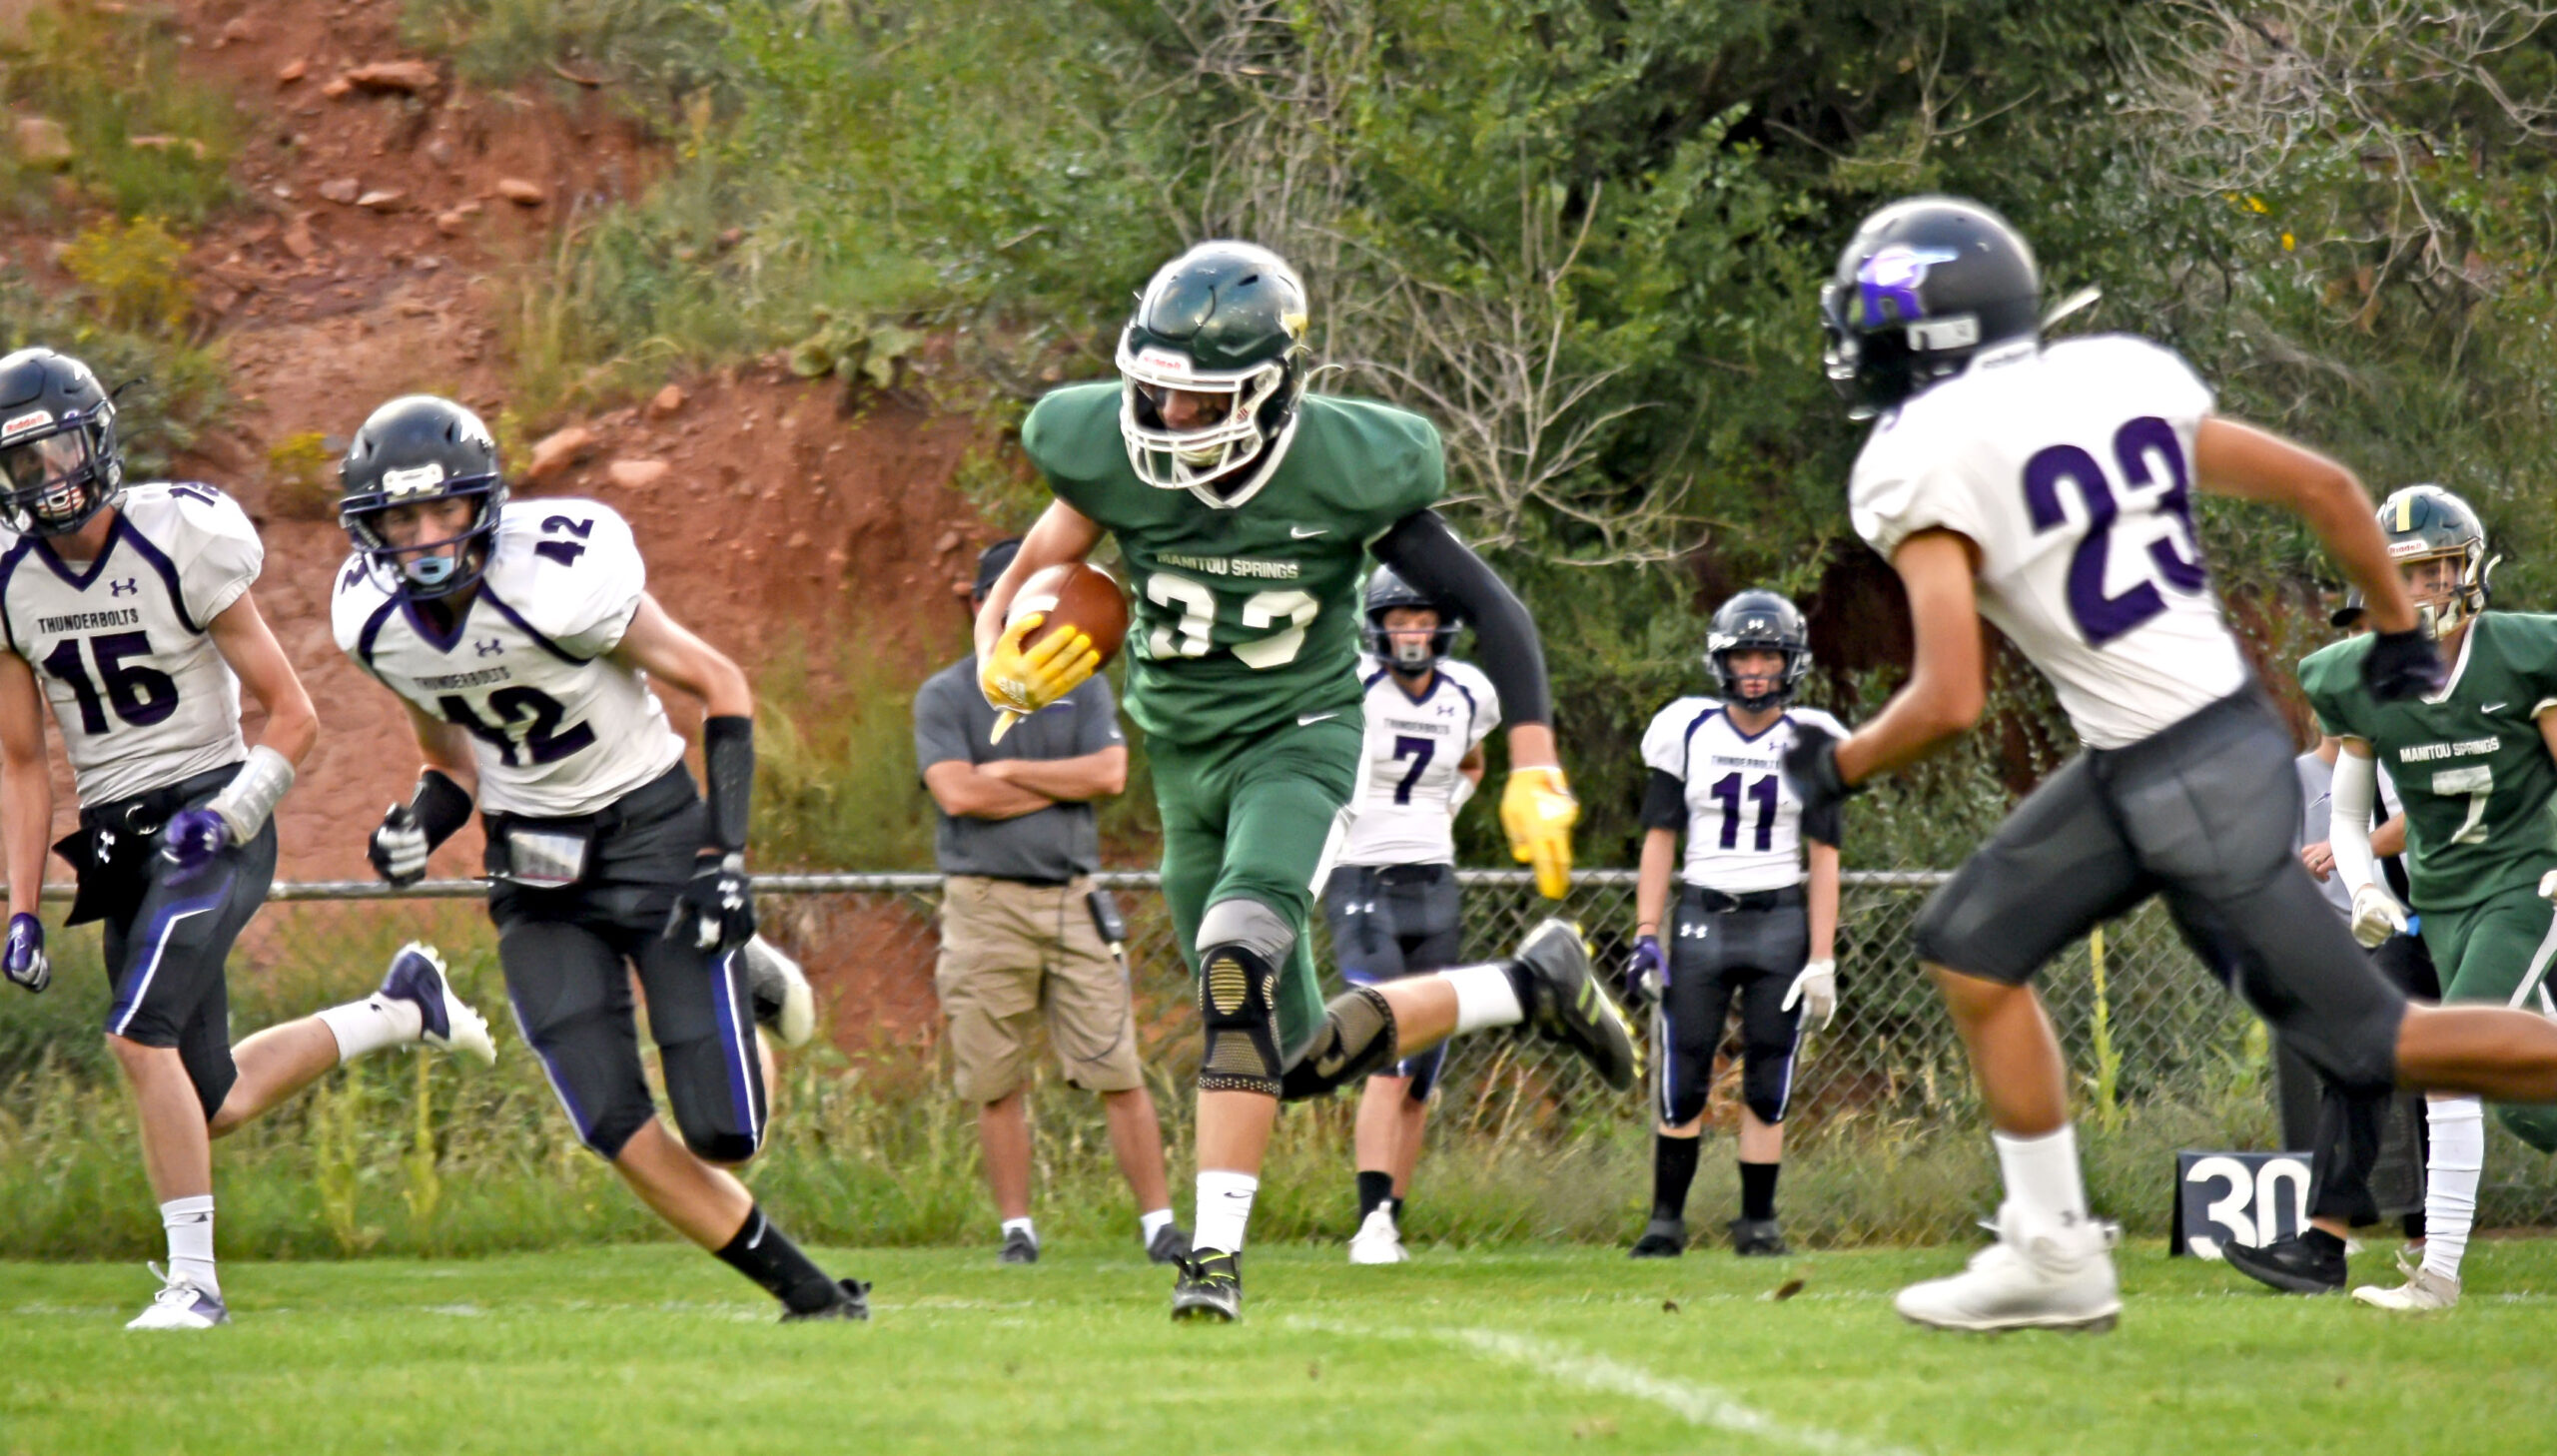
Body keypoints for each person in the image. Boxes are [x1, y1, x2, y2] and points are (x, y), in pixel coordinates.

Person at [1789, 195, 2557, 1334]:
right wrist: (2398, 629)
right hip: (2176, 751)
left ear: (1928, 332)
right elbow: (2329, 491)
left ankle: (2051, 1253)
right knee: (1966, 941)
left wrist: (1837, 766)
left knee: (2378, 1042)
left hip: (2185, 781)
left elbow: (1948, 697)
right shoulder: (2108, 374)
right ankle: (2051, 1252)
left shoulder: (1915, 458)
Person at [975, 240, 1638, 1322]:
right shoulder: (1099, 443)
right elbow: (1026, 574)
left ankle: (1212, 1263)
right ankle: (1526, 986)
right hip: (1181, 763)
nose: (1167, 420)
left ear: (1273, 389)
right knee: (1286, 1058)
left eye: (1199, 402)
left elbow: (1497, 611)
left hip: (1301, 739)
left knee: (1236, 962)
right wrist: (997, 649)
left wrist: (1534, 760)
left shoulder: (1345, 464)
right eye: (1154, 392)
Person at [331, 394, 866, 1322]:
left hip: (652, 836)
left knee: (724, 1135)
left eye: (440, 510)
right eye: (399, 517)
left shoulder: (562, 574)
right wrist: (416, 822)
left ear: (480, 503)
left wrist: (724, 858)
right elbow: (448, 762)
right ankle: (810, 1296)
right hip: (535, 870)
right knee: (610, 1118)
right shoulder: (374, 621)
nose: (420, 537)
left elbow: (720, 684)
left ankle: (748, 978)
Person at [0, 349, 496, 1329]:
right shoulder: (11, 581)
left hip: (214, 816)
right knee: (207, 1095)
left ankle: (195, 1286)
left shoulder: (179, 534)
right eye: (20, 465)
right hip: (118, 841)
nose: (45, 479)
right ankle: (398, 1009)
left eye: (55, 451)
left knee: (136, 1040)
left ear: (95, 439)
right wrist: (19, 907)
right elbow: (21, 764)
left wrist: (229, 813)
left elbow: (294, 714)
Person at [2296, 483, 2557, 1311]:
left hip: (2529, 879)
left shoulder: (2522, 653)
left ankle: (2438, 1275)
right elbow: (2345, 812)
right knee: (2492, 1093)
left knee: (2468, 1057)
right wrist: (2368, 886)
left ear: (2468, 569)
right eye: (2404, 574)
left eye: (2438, 569)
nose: (2424, 590)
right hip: (2443, 900)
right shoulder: (2358, 678)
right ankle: (2436, 1276)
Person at [915, 536, 1186, 1266]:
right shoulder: (945, 694)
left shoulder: (1083, 684)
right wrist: (1034, 781)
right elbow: (956, 791)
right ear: (979, 606)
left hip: (1073, 898)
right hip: (984, 903)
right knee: (995, 1077)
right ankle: (1018, 1233)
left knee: (1116, 1067)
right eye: (995, 599)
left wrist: (1004, 771)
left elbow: (1108, 774)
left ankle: (1159, 1224)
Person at [1624, 590, 1843, 1259]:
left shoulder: (1812, 737)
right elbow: (1660, 836)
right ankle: (1665, 1220)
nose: (1755, 669)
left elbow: (1825, 854)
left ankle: (1759, 1221)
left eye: (1768, 656)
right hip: (1703, 915)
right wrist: (1645, 930)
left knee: (1769, 1075)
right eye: (1744, 655)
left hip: (1779, 921)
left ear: (1791, 664)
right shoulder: (1687, 728)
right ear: (1722, 661)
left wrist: (1823, 954)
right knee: (1684, 1069)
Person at [2220, 703, 2437, 1296]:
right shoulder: (2353, 745)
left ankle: (2427, 1235)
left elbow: (2434, 813)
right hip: (2408, 929)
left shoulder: (2449, 711)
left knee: (2525, 1080)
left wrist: (2356, 849)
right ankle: (2322, 1246)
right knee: (2359, 1055)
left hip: (2488, 913)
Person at [1326, 565, 1501, 1265]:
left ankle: (1391, 1219)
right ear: (1377, 625)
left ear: (1442, 624)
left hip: (1432, 881)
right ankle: (1369, 1222)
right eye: (1397, 619)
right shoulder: (1353, 685)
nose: (1410, 631)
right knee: (1385, 1049)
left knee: (1424, 1065)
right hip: (1362, 877)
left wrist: (1441, 813)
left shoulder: (1468, 693)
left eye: (1422, 617)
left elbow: (1475, 765)